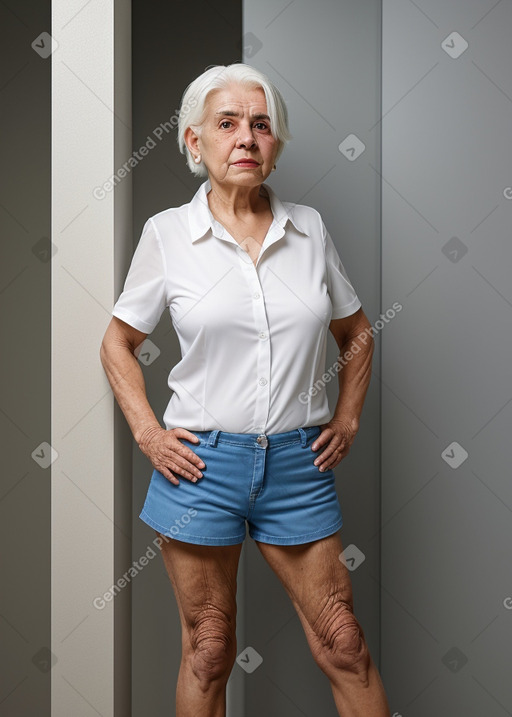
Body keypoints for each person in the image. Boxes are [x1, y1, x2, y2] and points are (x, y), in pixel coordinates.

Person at [100, 62, 390, 717]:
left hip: (296, 462)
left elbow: (359, 333)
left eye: (261, 125)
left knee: (343, 641)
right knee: (209, 648)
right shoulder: (168, 236)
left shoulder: (309, 229)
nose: (247, 138)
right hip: (200, 463)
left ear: (276, 144)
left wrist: (345, 417)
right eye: (227, 124)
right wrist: (149, 432)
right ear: (194, 142)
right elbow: (116, 342)